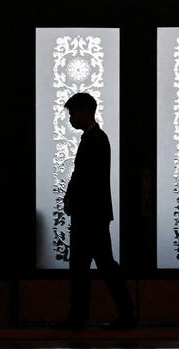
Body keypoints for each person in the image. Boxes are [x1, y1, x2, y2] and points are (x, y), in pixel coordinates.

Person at [51, 92, 136, 330]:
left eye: (72, 113)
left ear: (85, 111)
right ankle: (115, 314)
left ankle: (86, 316)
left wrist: (72, 199)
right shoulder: (94, 138)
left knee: (92, 266)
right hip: (92, 213)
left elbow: (85, 177)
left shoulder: (96, 139)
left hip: (90, 214)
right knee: (95, 265)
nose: (70, 119)